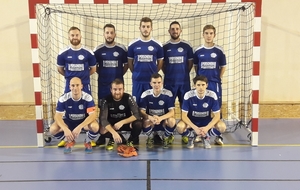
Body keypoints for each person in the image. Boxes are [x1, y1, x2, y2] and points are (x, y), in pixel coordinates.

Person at [93, 24, 128, 146]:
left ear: (115, 34)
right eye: (107, 33)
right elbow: (95, 67)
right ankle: (102, 136)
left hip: (117, 87)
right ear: (104, 34)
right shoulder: (98, 50)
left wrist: (118, 77)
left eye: (111, 33)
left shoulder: (121, 49)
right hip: (103, 85)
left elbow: (126, 65)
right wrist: (103, 75)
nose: (109, 35)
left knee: (116, 110)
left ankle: (114, 134)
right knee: (103, 111)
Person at [193, 24, 226, 145]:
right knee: (199, 107)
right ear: (203, 35)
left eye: (211, 33)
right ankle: (199, 133)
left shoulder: (219, 50)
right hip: (201, 84)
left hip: (214, 83)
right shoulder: (198, 51)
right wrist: (201, 82)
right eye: (206, 33)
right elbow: (196, 67)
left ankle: (218, 135)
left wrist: (217, 78)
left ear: (214, 35)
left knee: (216, 108)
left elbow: (223, 67)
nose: (208, 36)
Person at [49, 77, 99, 154]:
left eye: (77, 85)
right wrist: (65, 128)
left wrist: (80, 127)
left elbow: (93, 115)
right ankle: (69, 141)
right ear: (69, 87)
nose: (75, 88)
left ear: (81, 86)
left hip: (83, 123)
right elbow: (57, 116)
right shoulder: (63, 98)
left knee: (95, 127)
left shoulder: (87, 97)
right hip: (69, 122)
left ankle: (88, 141)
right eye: (73, 85)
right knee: (52, 129)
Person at [163, 21, 194, 145]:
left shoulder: (187, 46)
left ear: (180, 31)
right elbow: (162, 64)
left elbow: (190, 64)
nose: (175, 31)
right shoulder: (164, 47)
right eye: (172, 29)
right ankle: (169, 133)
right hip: (169, 83)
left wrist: (183, 73)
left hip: (184, 83)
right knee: (168, 110)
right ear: (169, 31)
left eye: (177, 29)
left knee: (185, 108)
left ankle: (184, 132)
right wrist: (170, 73)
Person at [176, 75, 226, 149]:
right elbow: (184, 116)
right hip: (192, 122)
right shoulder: (188, 95)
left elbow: (217, 116)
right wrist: (195, 128)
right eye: (198, 85)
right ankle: (192, 136)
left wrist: (207, 128)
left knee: (222, 127)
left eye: (203, 85)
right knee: (179, 127)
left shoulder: (212, 95)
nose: (201, 87)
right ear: (194, 86)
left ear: (207, 85)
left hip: (206, 121)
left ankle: (206, 136)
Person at [127, 17, 164, 106]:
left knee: (151, 105)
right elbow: (130, 62)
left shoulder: (158, 45)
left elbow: (160, 63)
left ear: (151, 28)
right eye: (143, 26)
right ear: (140, 28)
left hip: (151, 81)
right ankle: (137, 120)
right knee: (137, 105)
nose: (145, 29)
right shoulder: (132, 44)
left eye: (148, 26)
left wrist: (154, 73)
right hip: (138, 80)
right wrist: (136, 72)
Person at [99, 78, 143, 151]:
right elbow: (103, 119)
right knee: (102, 129)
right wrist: (113, 133)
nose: (117, 92)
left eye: (120, 89)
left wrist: (122, 122)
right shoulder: (106, 100)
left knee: (138, 123)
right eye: (115, 89)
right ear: (111, 90)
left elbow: (137, 114)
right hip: (112, 125)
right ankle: (116, 138)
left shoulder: (128, 97)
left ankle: (131, 140)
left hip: (125, 123)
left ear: (123, 89)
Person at [139, 73, 176, 149]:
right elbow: (141, 111)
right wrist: (150, 117)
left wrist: (160, 118)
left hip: (163, 121)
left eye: (159, 82)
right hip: (152, 121)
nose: (157, 85)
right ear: (150, 84)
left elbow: (172, 112)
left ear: (162, 83)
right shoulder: (145, 94)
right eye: (154, 83)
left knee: (172, 121)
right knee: (144, 121)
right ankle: (151, 137)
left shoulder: (168, 94)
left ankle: (165, 137)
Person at [57, 26, 97, 94]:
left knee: (87, 104)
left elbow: (93, 69)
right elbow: (60, 69)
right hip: (70, 86)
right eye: (72, 35)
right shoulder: (62, 53)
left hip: (84, 85)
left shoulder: (88, 53)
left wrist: (84, 75)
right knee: (69, 104)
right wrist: (69, 75)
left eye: (77, 35)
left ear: (80, 36)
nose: (75, 37)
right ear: (69, 37)